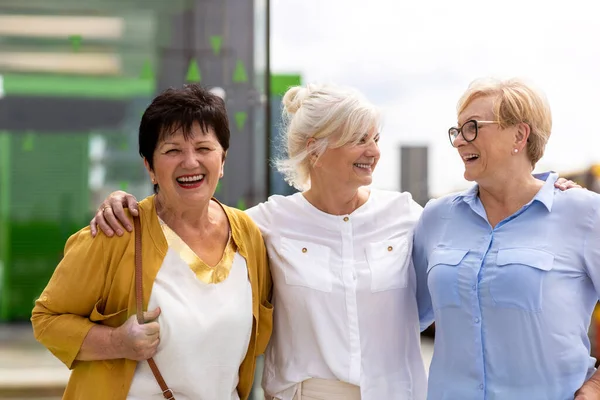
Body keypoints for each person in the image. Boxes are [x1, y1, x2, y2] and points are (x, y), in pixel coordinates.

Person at [91, 83, 577, 400]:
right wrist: (125, 201)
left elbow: (477, 254)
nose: (374, 151)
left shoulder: (413, 217)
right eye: (358, 139)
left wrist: (549, 190)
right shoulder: (262, 224)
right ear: (315, 150)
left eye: (375, 137)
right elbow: (190, 220)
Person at [31, 84, 273, 400]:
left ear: (223, 159)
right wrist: (117, 341)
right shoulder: (116, 232)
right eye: (172, 150)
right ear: (150, 167)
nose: (190, 162)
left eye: (203, 148)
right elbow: (47, 320)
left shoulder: (247, 234)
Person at [413, 77, 600, 399]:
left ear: (519, 134)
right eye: (456, 131)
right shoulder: (435, 217)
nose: (459, 141)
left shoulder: (585, 214)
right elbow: (398, 315)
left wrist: (596, 387)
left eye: (472, 127)